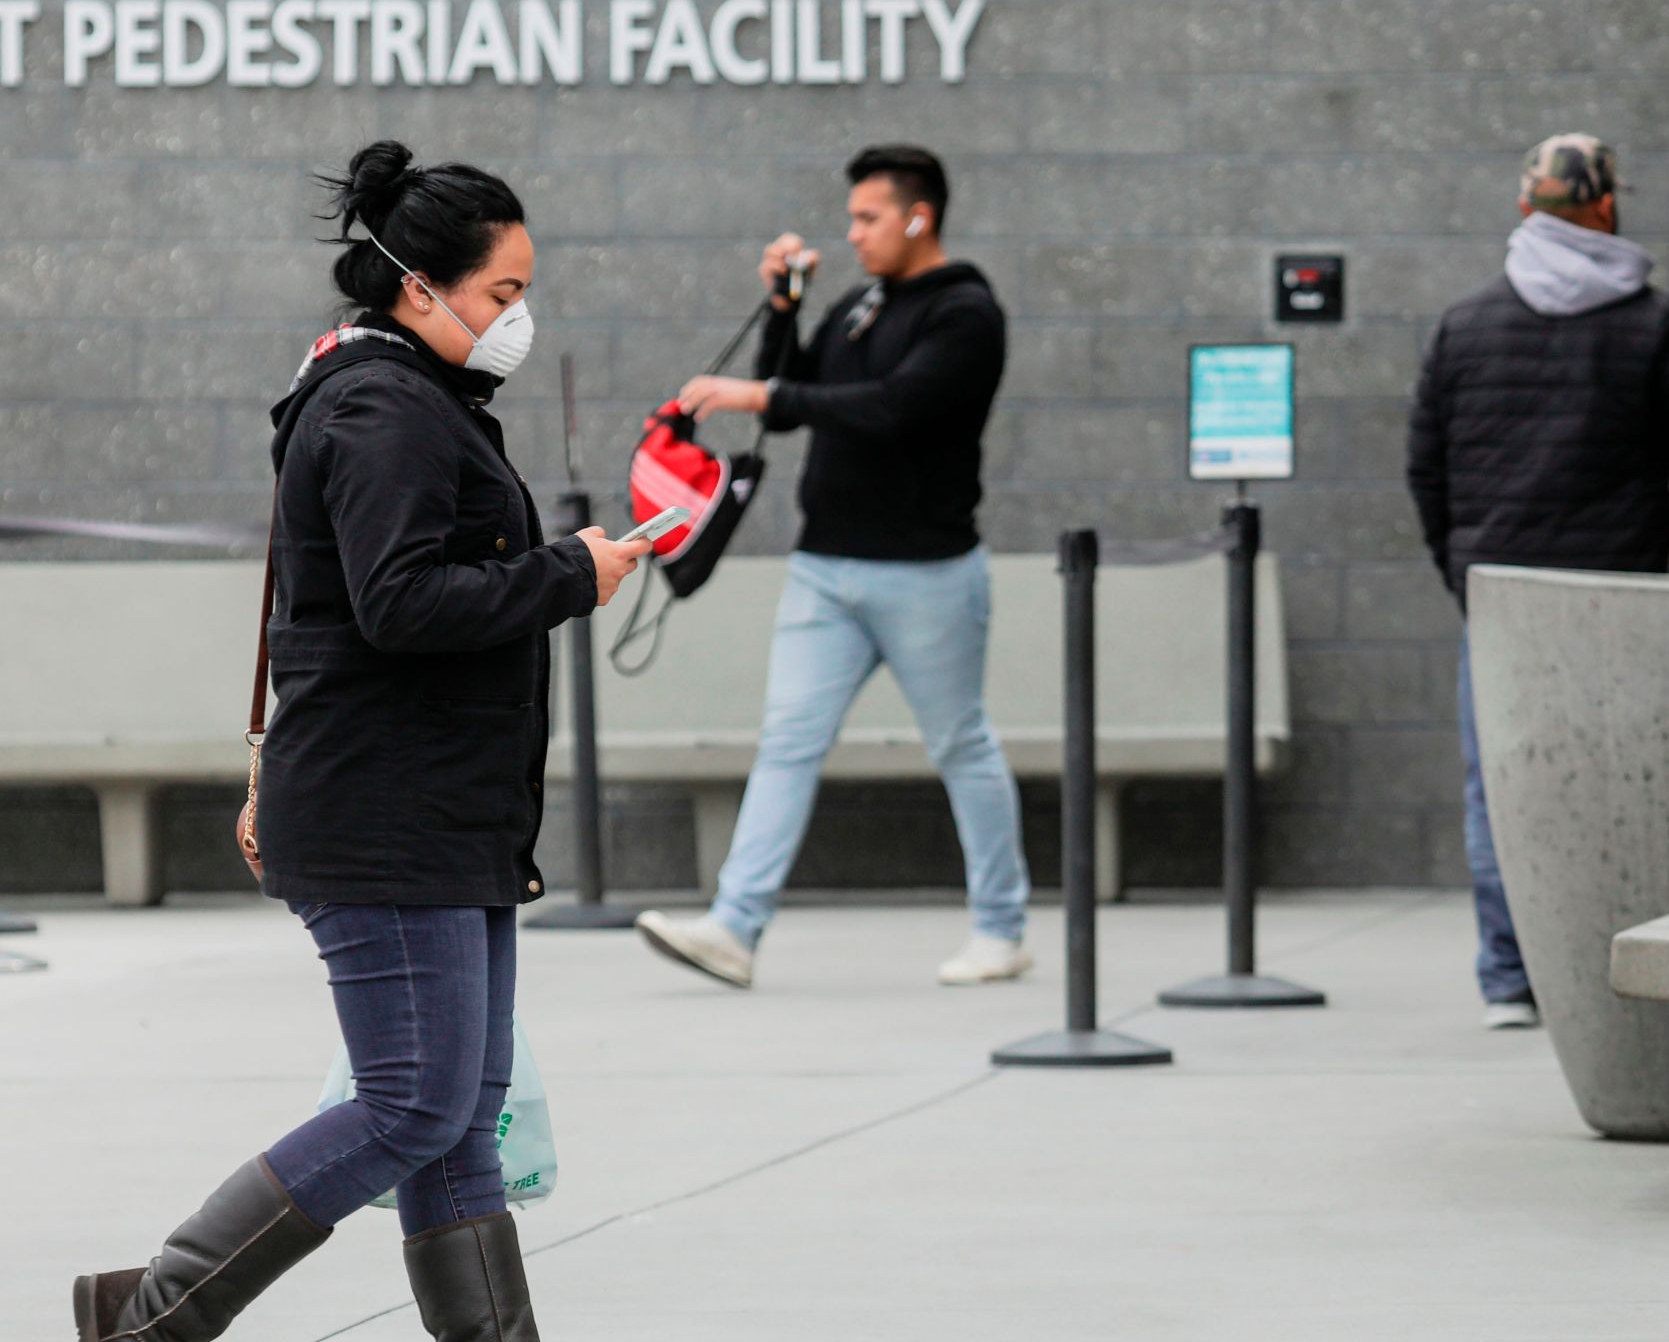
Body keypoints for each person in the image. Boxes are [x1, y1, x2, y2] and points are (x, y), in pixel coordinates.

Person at [69, 142, 648, 1341]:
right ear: (418, 286)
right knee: (407, 1108)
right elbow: (401, 603)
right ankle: (155, 1312)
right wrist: (567, 574)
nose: (518, 318)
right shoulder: (383, 406)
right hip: (390, 816)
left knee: (456, 1114)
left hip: (443, 811)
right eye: (502, 293)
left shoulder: (408, 394)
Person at [633, 143, 1033, 991]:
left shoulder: (965, 313)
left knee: (961, 743)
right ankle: (734, 929)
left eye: (868, 218)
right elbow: (790, 399)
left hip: (927, 573)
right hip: (826, 571)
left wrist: (760, 396)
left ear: (919, 216)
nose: (852, 234)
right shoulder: (861, 302)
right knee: (786, 743)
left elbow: (891, 410)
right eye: (851, 217)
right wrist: (785, 308)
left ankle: (1002, 930)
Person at [1406, 133, 1669, 1032]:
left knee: (1499, 784)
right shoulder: (1653, 322)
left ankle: (1510, 978)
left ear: (1529, 210)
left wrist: (1464, 574)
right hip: (1623, 596)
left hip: (1502, 598)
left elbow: (1425, 472)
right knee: (1633, 780)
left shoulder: (1465, 322)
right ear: (1604, 208)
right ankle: (1617, 960)